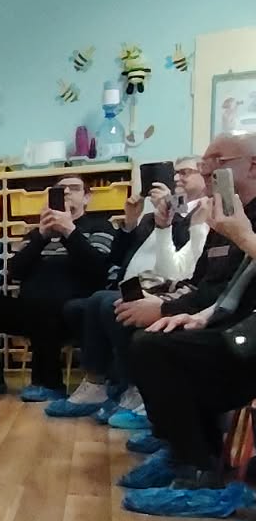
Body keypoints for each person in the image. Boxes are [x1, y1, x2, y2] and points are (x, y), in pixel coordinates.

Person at [118, 133, 256, 516]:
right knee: (149, 334)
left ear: (252, 166)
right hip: (228, 326)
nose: (207, 170)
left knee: (155, 347)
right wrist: (186, 313)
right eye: (205, 162)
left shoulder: (232, 221)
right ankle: (186, 450)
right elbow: (208, 285)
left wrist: (244, 237)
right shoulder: (224, 216)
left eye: (217, 161)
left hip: (245, 336)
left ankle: (196, 469)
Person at [45, 159, 208, 423]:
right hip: (131, 283)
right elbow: (118, 256)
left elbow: (184, 258)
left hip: (163, 288)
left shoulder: (201, 212)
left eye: (186, 172)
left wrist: (169, 211)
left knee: (106, 303)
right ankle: (106, 385)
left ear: (205, 177)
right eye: (176, 172)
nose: (178, 178)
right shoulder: (149, 217)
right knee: (83, 305)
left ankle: (129, 388)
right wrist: (130, 223)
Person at [0, 174, 114, 400]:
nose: (67, 192)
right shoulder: (37, 232)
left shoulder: (100, 226)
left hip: (71, 312)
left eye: (74, 188)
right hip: (29, 310)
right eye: (61, 189)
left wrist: (69, 232)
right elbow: (15, 272)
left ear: (87, 198)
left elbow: (97, 269)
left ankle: (49, 383)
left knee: (47, 302)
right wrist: (41, 237)